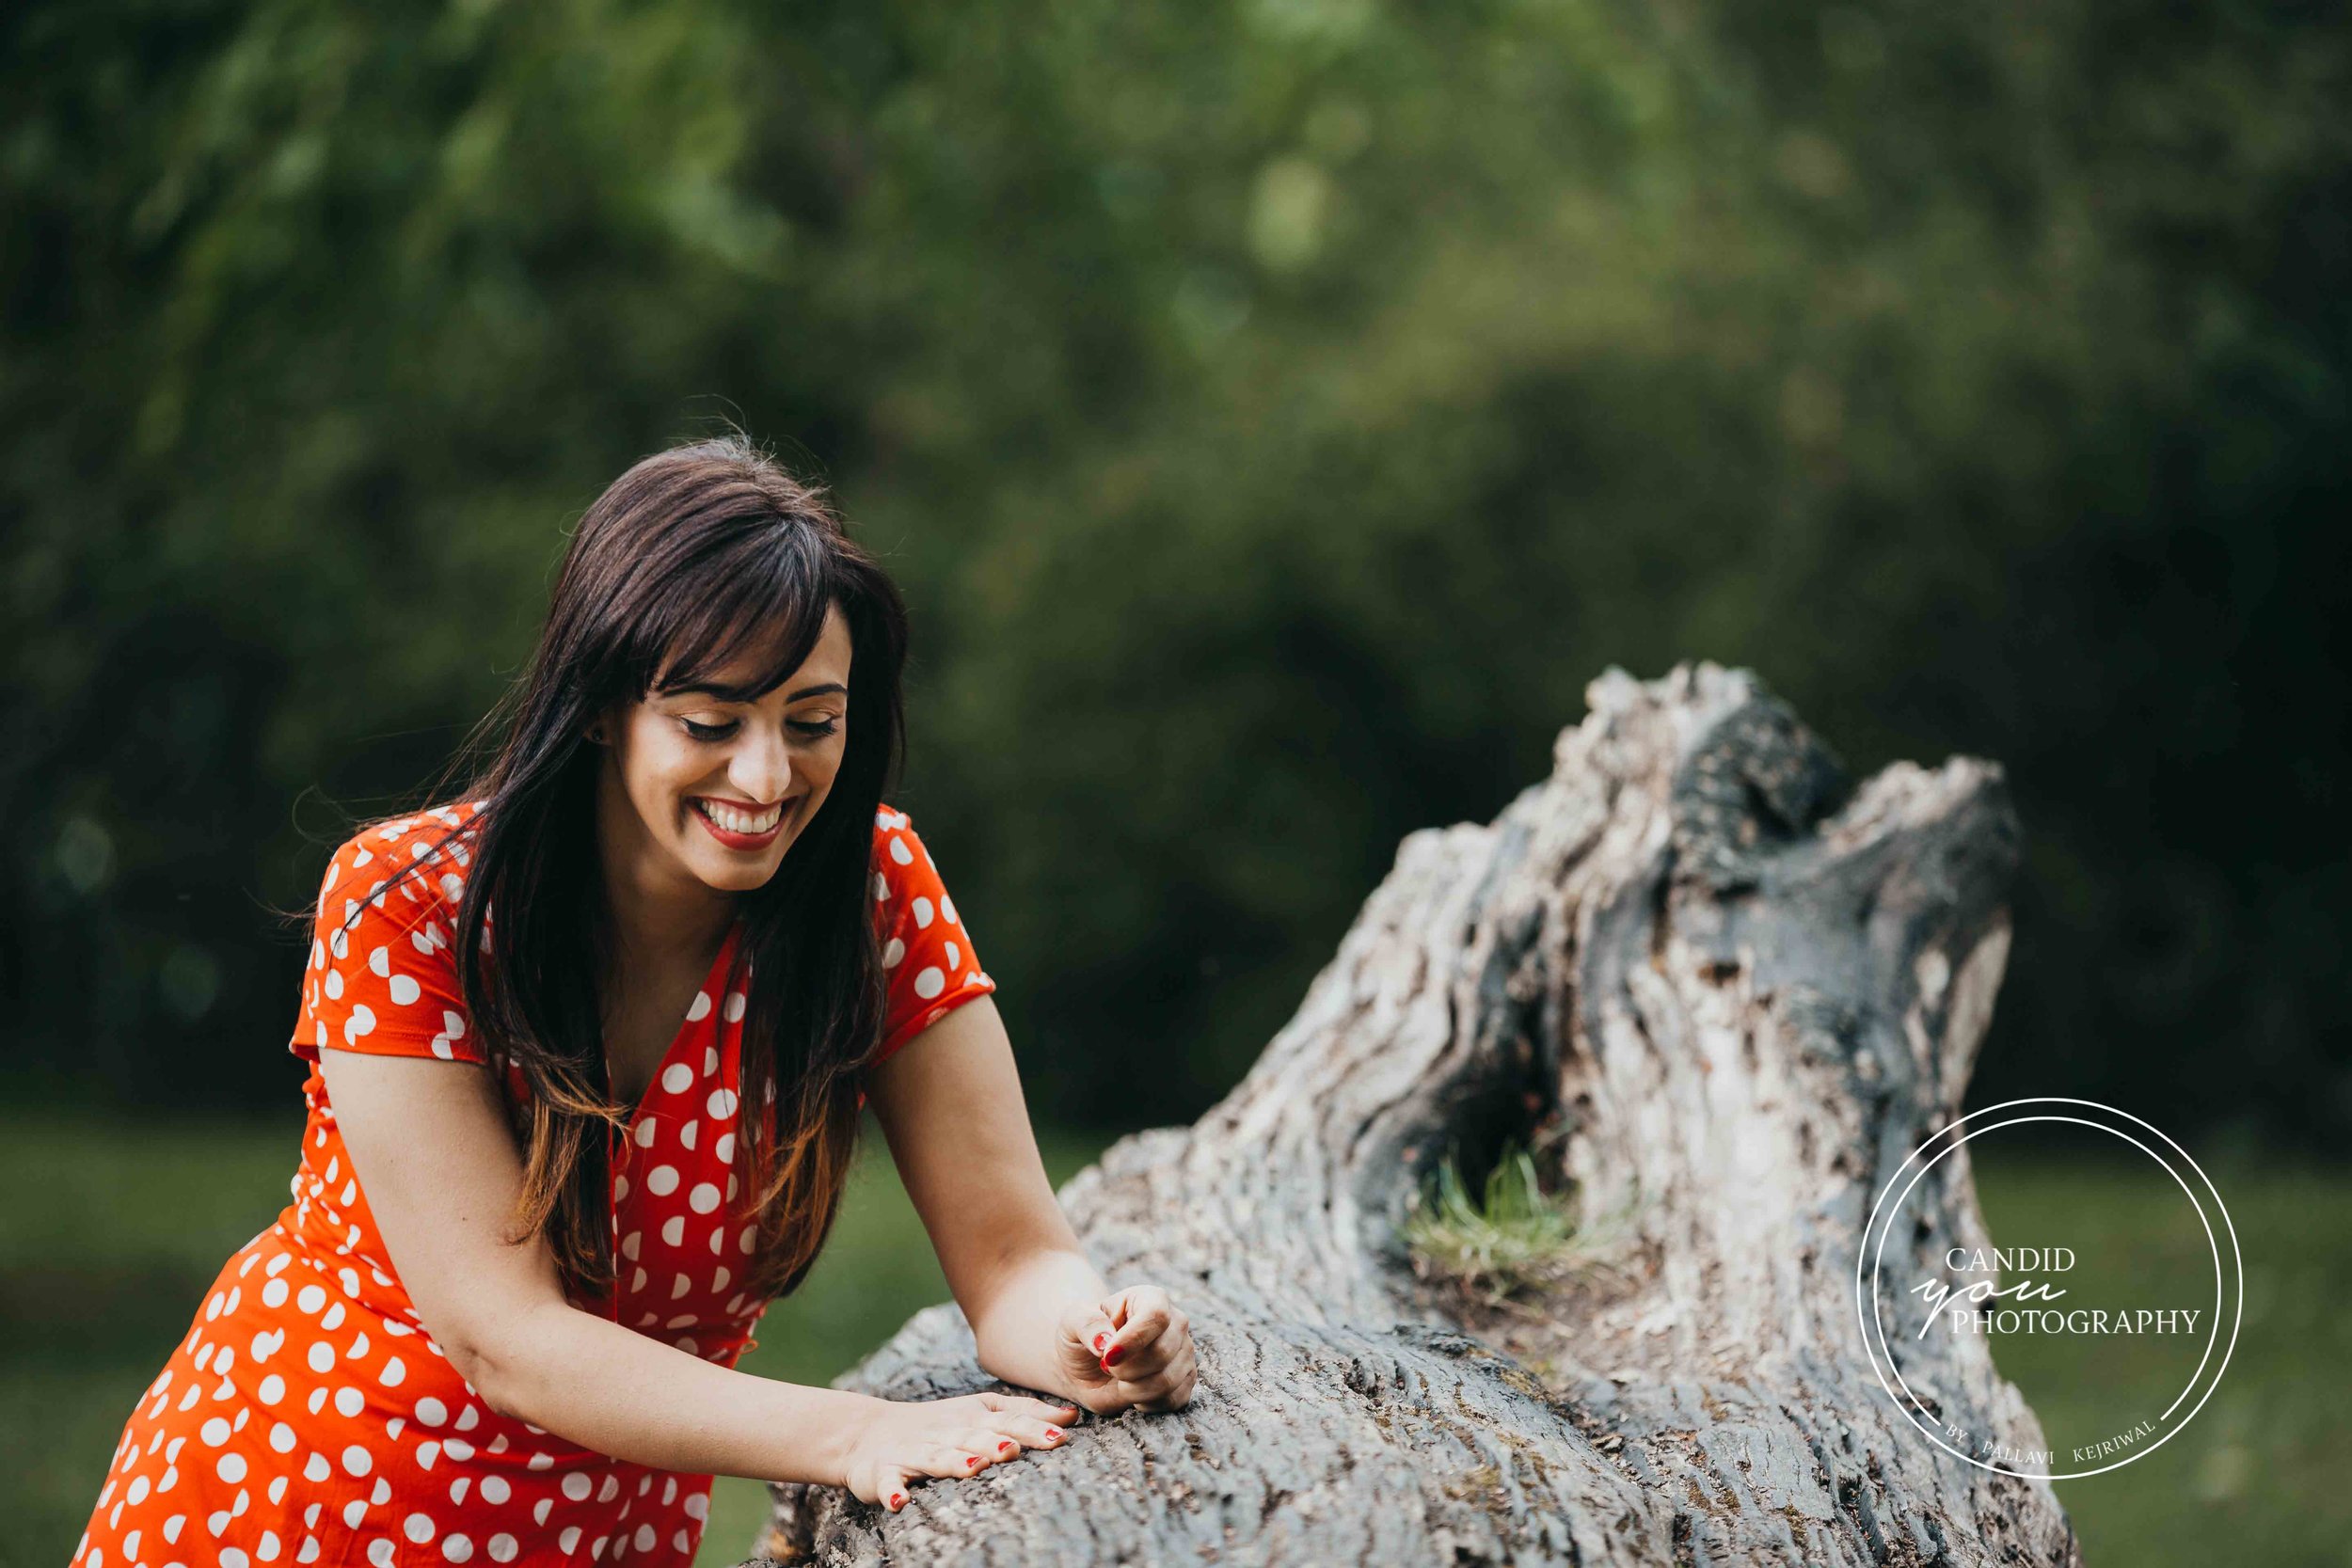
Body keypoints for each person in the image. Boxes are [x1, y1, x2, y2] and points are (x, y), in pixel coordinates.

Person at [70, 434, 1198, 1568]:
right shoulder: (406, 904)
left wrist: (1094, 1336)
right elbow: (505, 1337)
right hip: (311, 1505)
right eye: (711, 723)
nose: (764, 779)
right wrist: (858, 1430)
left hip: (608, 1534)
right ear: (603, 703)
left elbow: (1010, 1256)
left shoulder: (871, 890)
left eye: (812, 721)